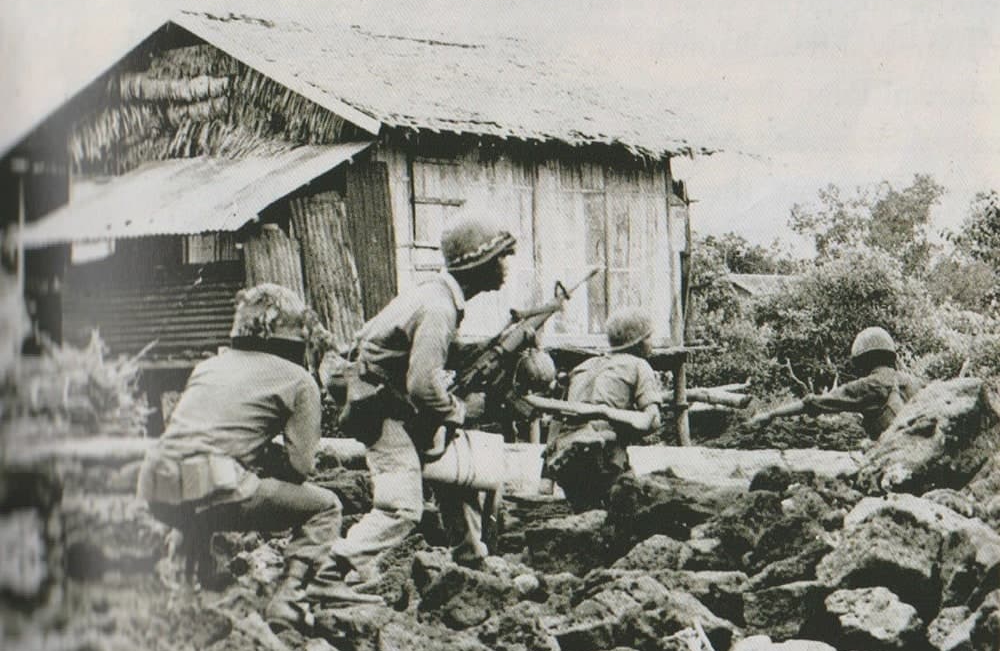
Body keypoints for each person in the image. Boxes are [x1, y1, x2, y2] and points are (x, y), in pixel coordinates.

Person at [136, 283, 342, 627]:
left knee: (197, 511)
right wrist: (270, 463)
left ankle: (183, 598)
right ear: (292, 333)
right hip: (213, 481)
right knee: (326, 507)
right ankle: (289, 599)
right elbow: (302, 466)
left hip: (155, 479)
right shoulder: (299, 380)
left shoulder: (209, 366)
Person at [327, 213, 517, 583]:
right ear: (476, 265)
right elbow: (421, 386)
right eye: (499, 258)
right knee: (401, 508)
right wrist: (460, 410)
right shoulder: (439, 308)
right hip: (381, 407)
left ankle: (471, 556)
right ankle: (329, 565)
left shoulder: (435, 296)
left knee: (453, 473)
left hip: (386, 399)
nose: (504, 265)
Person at [542, 307, 662, 511]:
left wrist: (545, 479)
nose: (653, 343)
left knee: (583, 514)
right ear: (636, 340)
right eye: (649, 337)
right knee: (629, 509)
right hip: (605, 461)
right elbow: (652, 421)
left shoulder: (583, 366)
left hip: (566, 461)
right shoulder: (639, 366)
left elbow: (557, 420)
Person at [750, 326, 923, 440]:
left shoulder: (868, 386)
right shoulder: (915, 383)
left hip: (896, 457)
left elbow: (814, 403)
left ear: (862, 361)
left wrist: (771, 414)